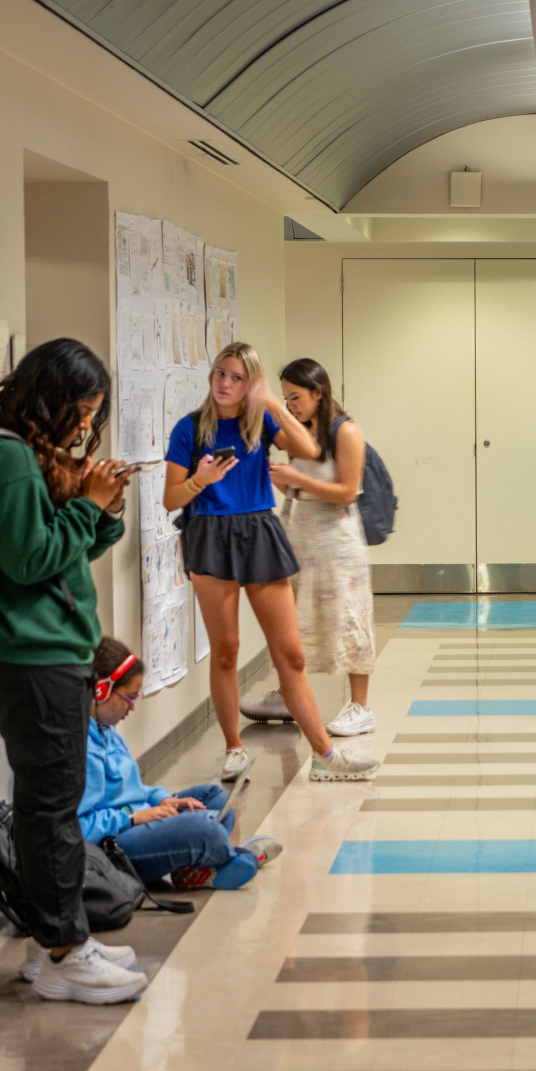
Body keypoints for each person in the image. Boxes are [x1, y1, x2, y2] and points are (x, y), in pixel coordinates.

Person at [0, 337, 148, 1006]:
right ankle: (66, 949)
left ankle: (53, 943)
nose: (86, 426)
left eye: (95, 413)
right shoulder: (5, 456)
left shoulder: (25, 454)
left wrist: (106, 505)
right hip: (31, 654)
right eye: (81, 410)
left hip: (52, 646)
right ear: (50, 398)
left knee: (53, 803)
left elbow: (66, 553)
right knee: (51, 809)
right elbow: (29, 559)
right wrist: (87, 503)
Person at [165, 342, 379, 782]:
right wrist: (199, 481)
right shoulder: (188, 429)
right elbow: (169, 497)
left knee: (291, 656)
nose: (225, 384)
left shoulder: (260, 422)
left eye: (237, 378)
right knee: (226, 653)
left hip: (259, 531)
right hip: (210, 534)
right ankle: (234, 748)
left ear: (251, 386)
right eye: (221, 374)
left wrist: (272, 408)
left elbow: (311, 450)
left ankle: (323, 754)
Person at [73, 637, 281, 895]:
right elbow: (77, 828)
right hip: (114, 847)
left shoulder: (107, 731)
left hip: (136, 818)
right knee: (204, 828)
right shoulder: (80, 747)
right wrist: (133, 817)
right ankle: (240, 855)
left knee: (213, 799)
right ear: (100, 691)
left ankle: (206, 863)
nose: (133, 706)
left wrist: (161, 800)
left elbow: (130, 789)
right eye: (129, 697)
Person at [267, 357, 377, 739]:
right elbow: (299, 488)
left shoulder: (345, 430)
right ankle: (290, 694)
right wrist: (280, 477)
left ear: (319, 393)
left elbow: (347, 491)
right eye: (285, 398)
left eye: (296, 397)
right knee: (296, 616)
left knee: (347, 615)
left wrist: (297, 477)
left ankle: (360, 707)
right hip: (301, 532)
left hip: (338, 538)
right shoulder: (298, 432)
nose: (291, 405)